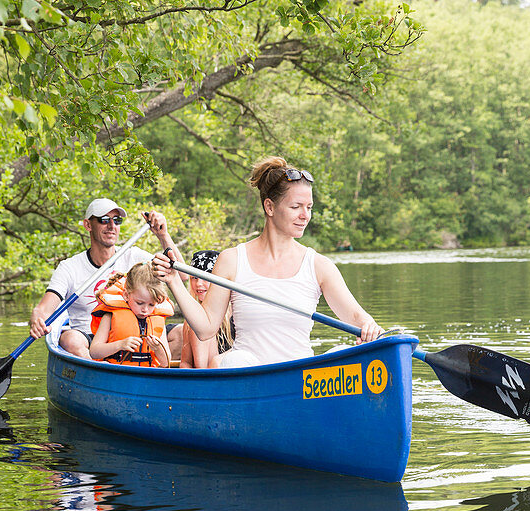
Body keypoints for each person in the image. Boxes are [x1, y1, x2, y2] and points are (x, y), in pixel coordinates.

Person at [153, 156, 382, 366]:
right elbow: (205, 328)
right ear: (269, 207)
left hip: (301, 379)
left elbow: (355, 317)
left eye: (309, 207)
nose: (305, 215)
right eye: (296, 207)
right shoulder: (232, 260)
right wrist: (174, 281)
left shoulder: (318, 265)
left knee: (344, 352)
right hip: (249, 373)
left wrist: (370, 328)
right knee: (234, 361)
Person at [29, 198, 186, 359]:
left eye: (117, 221)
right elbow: (43, 309)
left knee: (183, 333)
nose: (112, 226)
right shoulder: (69, 267)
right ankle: (103, 373)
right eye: (104, 220)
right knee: (70, 339)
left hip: (140, 336)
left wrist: (163, 235)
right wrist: (38, 319)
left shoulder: (134, 256)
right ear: (88, 225)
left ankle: (147, 369)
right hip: (90, 339)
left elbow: (181, 275)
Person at [90, 264, 173, 367]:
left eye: (151, 305)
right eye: (139, 303)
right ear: (126, 295)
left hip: (147, 375)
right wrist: (120, 345)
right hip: (117, 372)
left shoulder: (158, 319)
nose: (145, 310)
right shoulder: (110, 316)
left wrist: (158, 349)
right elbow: (93, 352)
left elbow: (166, 362)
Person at [178, 250, 235, 368]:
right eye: (194, 277)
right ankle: (203, 377)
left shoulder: (235, 312)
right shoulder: (191, 318)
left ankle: (206, 376)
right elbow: (185, 362)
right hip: (203, 374)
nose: (198, 284)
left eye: (205, 277)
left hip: (230, 371)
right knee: (197, 323)